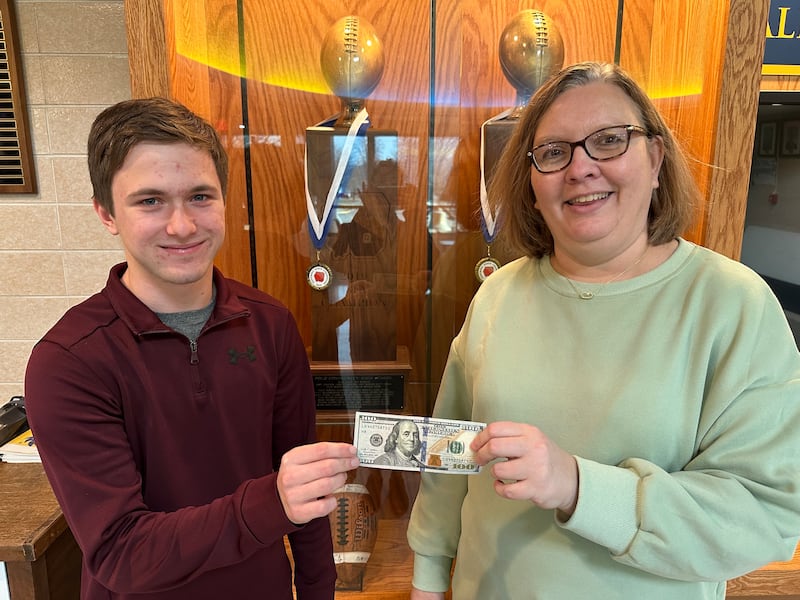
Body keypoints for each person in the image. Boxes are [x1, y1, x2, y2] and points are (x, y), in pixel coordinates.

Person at [407, 61, 800, 599]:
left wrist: (576, 485)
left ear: (656, 159)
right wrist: (428, 576)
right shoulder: (497, 296)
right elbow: (449, 457)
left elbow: (765, 516)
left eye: (610, 141)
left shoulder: (733, 303)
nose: (580, 168)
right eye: (553, 152)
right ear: (531, 180)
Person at [24, 97, 360, 600]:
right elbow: (121, 552)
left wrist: (317, 591)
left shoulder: (269, 325)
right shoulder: (68, 361)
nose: (182, 226)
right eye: (150, 201)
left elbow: (305, 488)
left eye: (200, 197)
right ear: (106, 213)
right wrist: (271, 502)